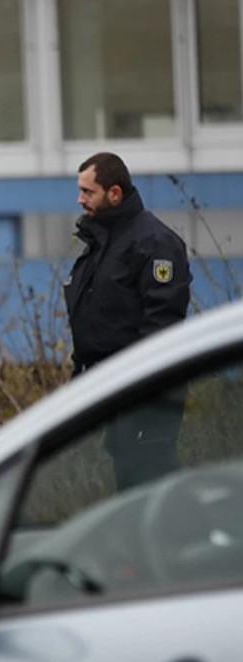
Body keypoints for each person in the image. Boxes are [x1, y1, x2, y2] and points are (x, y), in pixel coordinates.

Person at [66, 151, 191, 490]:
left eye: (88, 192)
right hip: (116, 389)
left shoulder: (154, 243)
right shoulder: (103, 241)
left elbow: (161, 326)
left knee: (150, 484)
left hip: (146, 393)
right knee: (129, 487)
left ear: (115, 193)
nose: (80, 200)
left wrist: (138, 387)